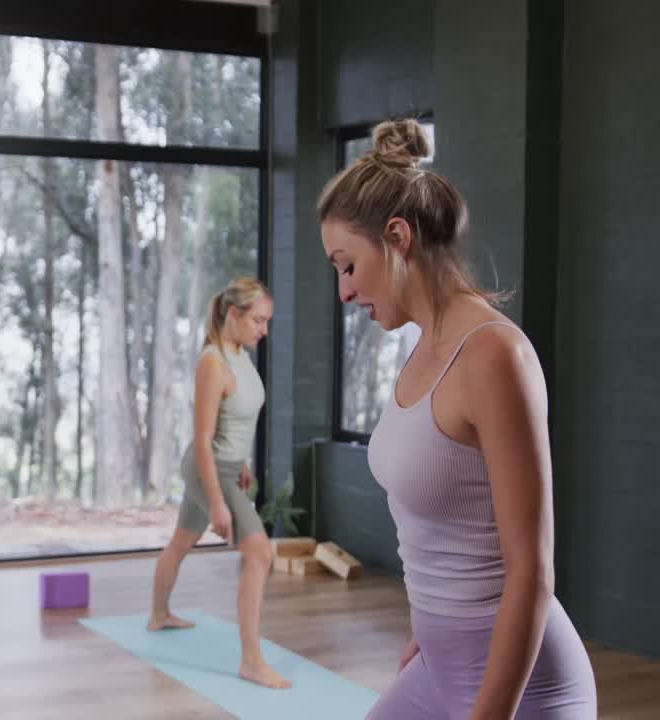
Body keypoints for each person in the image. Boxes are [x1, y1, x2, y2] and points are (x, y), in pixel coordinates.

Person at [318, 118, 596, 719]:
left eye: (346, 265)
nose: (343, 291)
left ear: (396, 236)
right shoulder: (422, 350)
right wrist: (434, 628)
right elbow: (446, 523)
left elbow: (532, 567)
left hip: (524, 691)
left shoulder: (495, 355)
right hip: (440, 668)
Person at [147, 276, 290, 690]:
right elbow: (205, 441)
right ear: (234, 314)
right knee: (260, 554)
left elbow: (236, 421)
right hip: (207, 469)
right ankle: (251, 661)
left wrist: (242, 461)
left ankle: (158, 616)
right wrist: (217, 502)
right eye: (259, 320)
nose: (265, 329)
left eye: (267, 321)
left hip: (227, 467)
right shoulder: (213, 364)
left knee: (181, 541)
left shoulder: (241, 353)